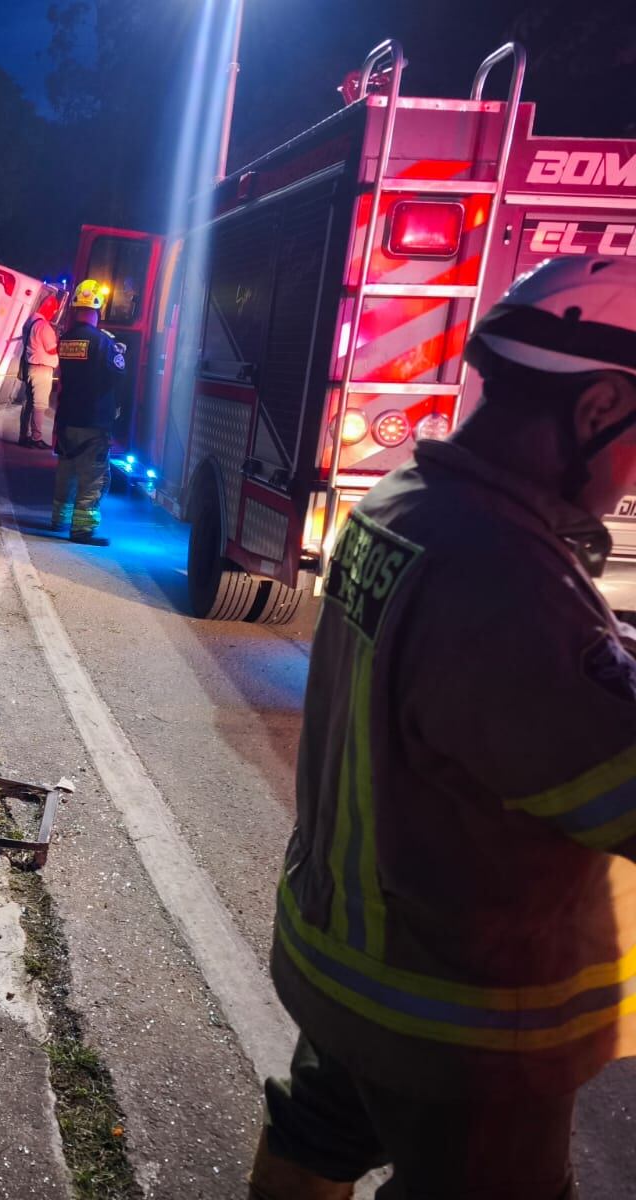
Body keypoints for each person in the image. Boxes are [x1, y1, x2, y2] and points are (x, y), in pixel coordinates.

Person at [249, 256, 636, 1200]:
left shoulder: (401, 505)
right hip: (461, 1021)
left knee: (315, 1136)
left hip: (355, 973)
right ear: (595, 411)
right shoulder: (508, 581)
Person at [51, 278, 126, 544]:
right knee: (93, 478)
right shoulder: (103, 343)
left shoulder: (66, 340)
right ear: (98, 309)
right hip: (93, 421)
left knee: (66, 472)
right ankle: (82, 530)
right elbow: (118, 372)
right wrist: (120, 352)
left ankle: (58, 519)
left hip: (68, 418)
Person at [19, 294, 62, 448]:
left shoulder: (29, 322)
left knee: (29, 403)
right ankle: (36, 438)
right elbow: (51, 350)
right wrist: (58, 341)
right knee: (40, 404)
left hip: (30, 367)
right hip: (42, 369)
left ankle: (23, 435)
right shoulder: (43, 326)